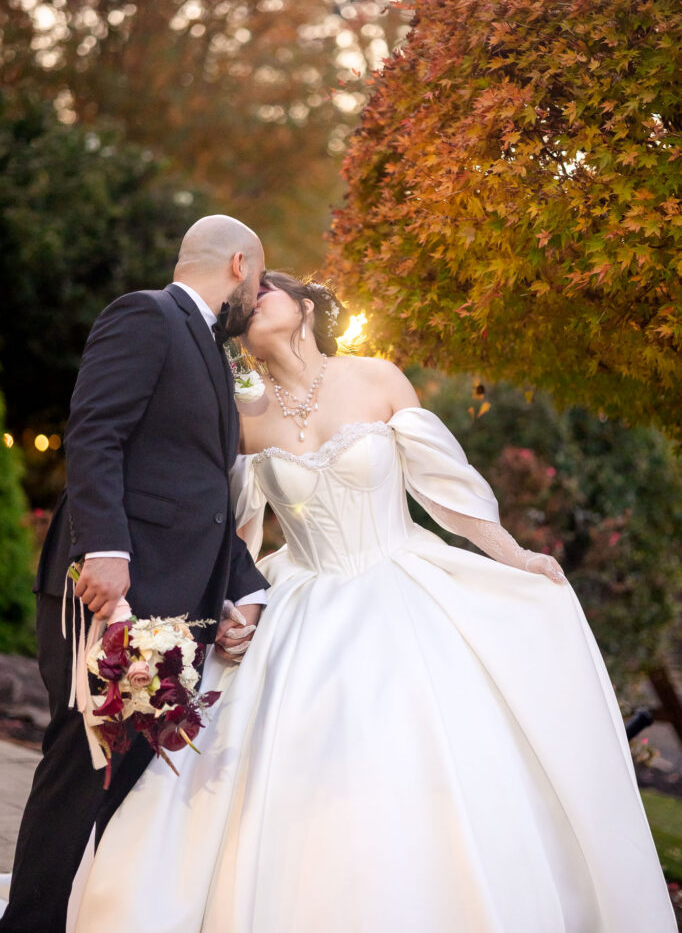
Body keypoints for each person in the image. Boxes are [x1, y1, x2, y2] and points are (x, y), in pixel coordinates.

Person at [70, 274, 677, 930]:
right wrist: (232, 606)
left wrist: (516, 556)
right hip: (297, 598)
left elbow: (446, 492)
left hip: (401, 584)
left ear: (304, 307)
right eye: (241, 305)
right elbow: (237, 529)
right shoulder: (238, 412)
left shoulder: (377, 378)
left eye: (265, 291)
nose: (250, 304)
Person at [0, 216, 271, 933]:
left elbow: (207, 494)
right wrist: (106, 549)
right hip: (108, 590)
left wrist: (242, 589)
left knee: (120, 782)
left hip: (177, 602)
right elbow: (94, 428)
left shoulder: (216, 356)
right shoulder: (146, 315)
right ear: (239, 264)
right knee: (81, 765)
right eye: (261, 278)